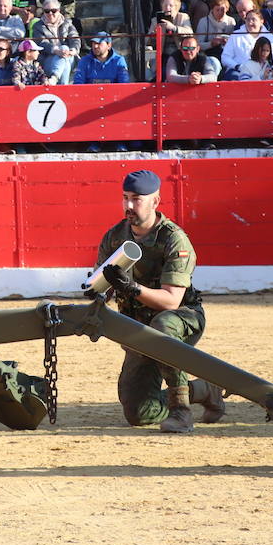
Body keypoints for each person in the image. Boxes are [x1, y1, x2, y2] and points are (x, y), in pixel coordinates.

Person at [97, 170, 224, 433]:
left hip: (182, 318)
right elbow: (100, 287)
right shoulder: (114, 237)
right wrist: (99, 290)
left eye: (137, 199)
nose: (129, 206)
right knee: (139, 413)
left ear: (155, 201)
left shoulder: (173, 239)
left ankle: (181, 412)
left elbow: (170, 301)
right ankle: (203, 390)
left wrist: (131, 288)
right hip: (139, 330)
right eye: (125, 198)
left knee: (163, 325)